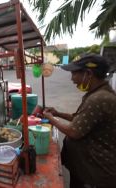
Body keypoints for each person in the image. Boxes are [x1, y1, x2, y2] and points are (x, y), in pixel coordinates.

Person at [43, 54, 116, 188]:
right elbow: (80, 119)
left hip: (95, 172)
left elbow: (74, 131)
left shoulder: (98, 99)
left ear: (88, 73)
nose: (72, 79)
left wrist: (51, 119)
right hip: (86, 168)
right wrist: (57, 113)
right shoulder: (98, 93)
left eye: (74, 74)